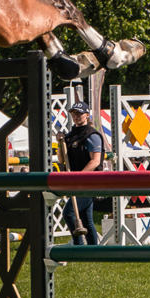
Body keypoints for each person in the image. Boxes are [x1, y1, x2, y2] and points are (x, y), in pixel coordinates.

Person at [57, 101, 102, 245]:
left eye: (79, 113)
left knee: (68, 213)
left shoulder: (92, 135)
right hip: (76, 182)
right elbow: (61, 159)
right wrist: (60, 143)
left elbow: (95, 161)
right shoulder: (70, 136)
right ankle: (93, 251)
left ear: (87, 115)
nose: (76, 116)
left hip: (89, 182)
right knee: (87, 220)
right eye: (73, 114)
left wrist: (78, 176)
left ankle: (78, 246)